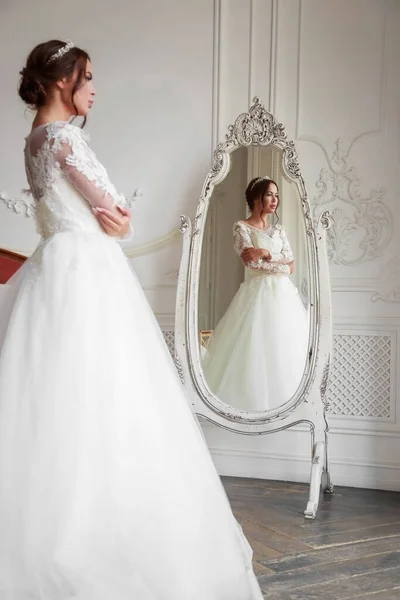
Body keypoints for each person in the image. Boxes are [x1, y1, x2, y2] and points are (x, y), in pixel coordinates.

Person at [0, 40, 264, 600]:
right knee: (110, 397)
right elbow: (117, 211)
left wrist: (111, 219)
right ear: (59, 81)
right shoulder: (65, 138)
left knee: (53, 400)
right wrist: (117, 217)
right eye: (87, 77)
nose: (95, 87)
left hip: (56, 267)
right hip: (86, 272)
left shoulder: (33, 139)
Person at [203, 176, 309, 412]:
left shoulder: (278, 230)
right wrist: (280, 266)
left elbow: (291, 263)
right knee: (253, 348)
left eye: (277, 195)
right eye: (270, 194)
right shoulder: (241, 227)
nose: (275, 200)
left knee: (284, 347)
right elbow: (253, 265)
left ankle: (284, 408)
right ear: (256, 198)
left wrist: (265, 253)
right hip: (256, 295)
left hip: (283, 297)